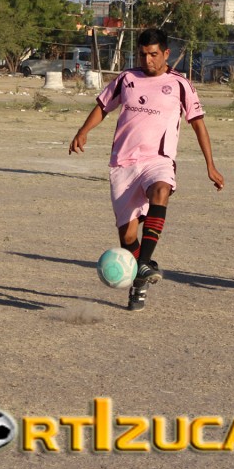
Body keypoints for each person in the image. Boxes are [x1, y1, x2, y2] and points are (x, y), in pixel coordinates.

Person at [69, 28, 224, 311]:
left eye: (153, 54)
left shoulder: (180, 84)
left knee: (161, 190)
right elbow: (103, 107)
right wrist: (83, 131)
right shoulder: (126, 79)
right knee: (128, 237)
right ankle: (139, 281)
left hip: (158, 160)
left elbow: (198, 125)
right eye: (142, 55)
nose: (148, 60)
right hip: (123, 164)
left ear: (166, 53)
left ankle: (142, 265)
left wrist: (210, 166)